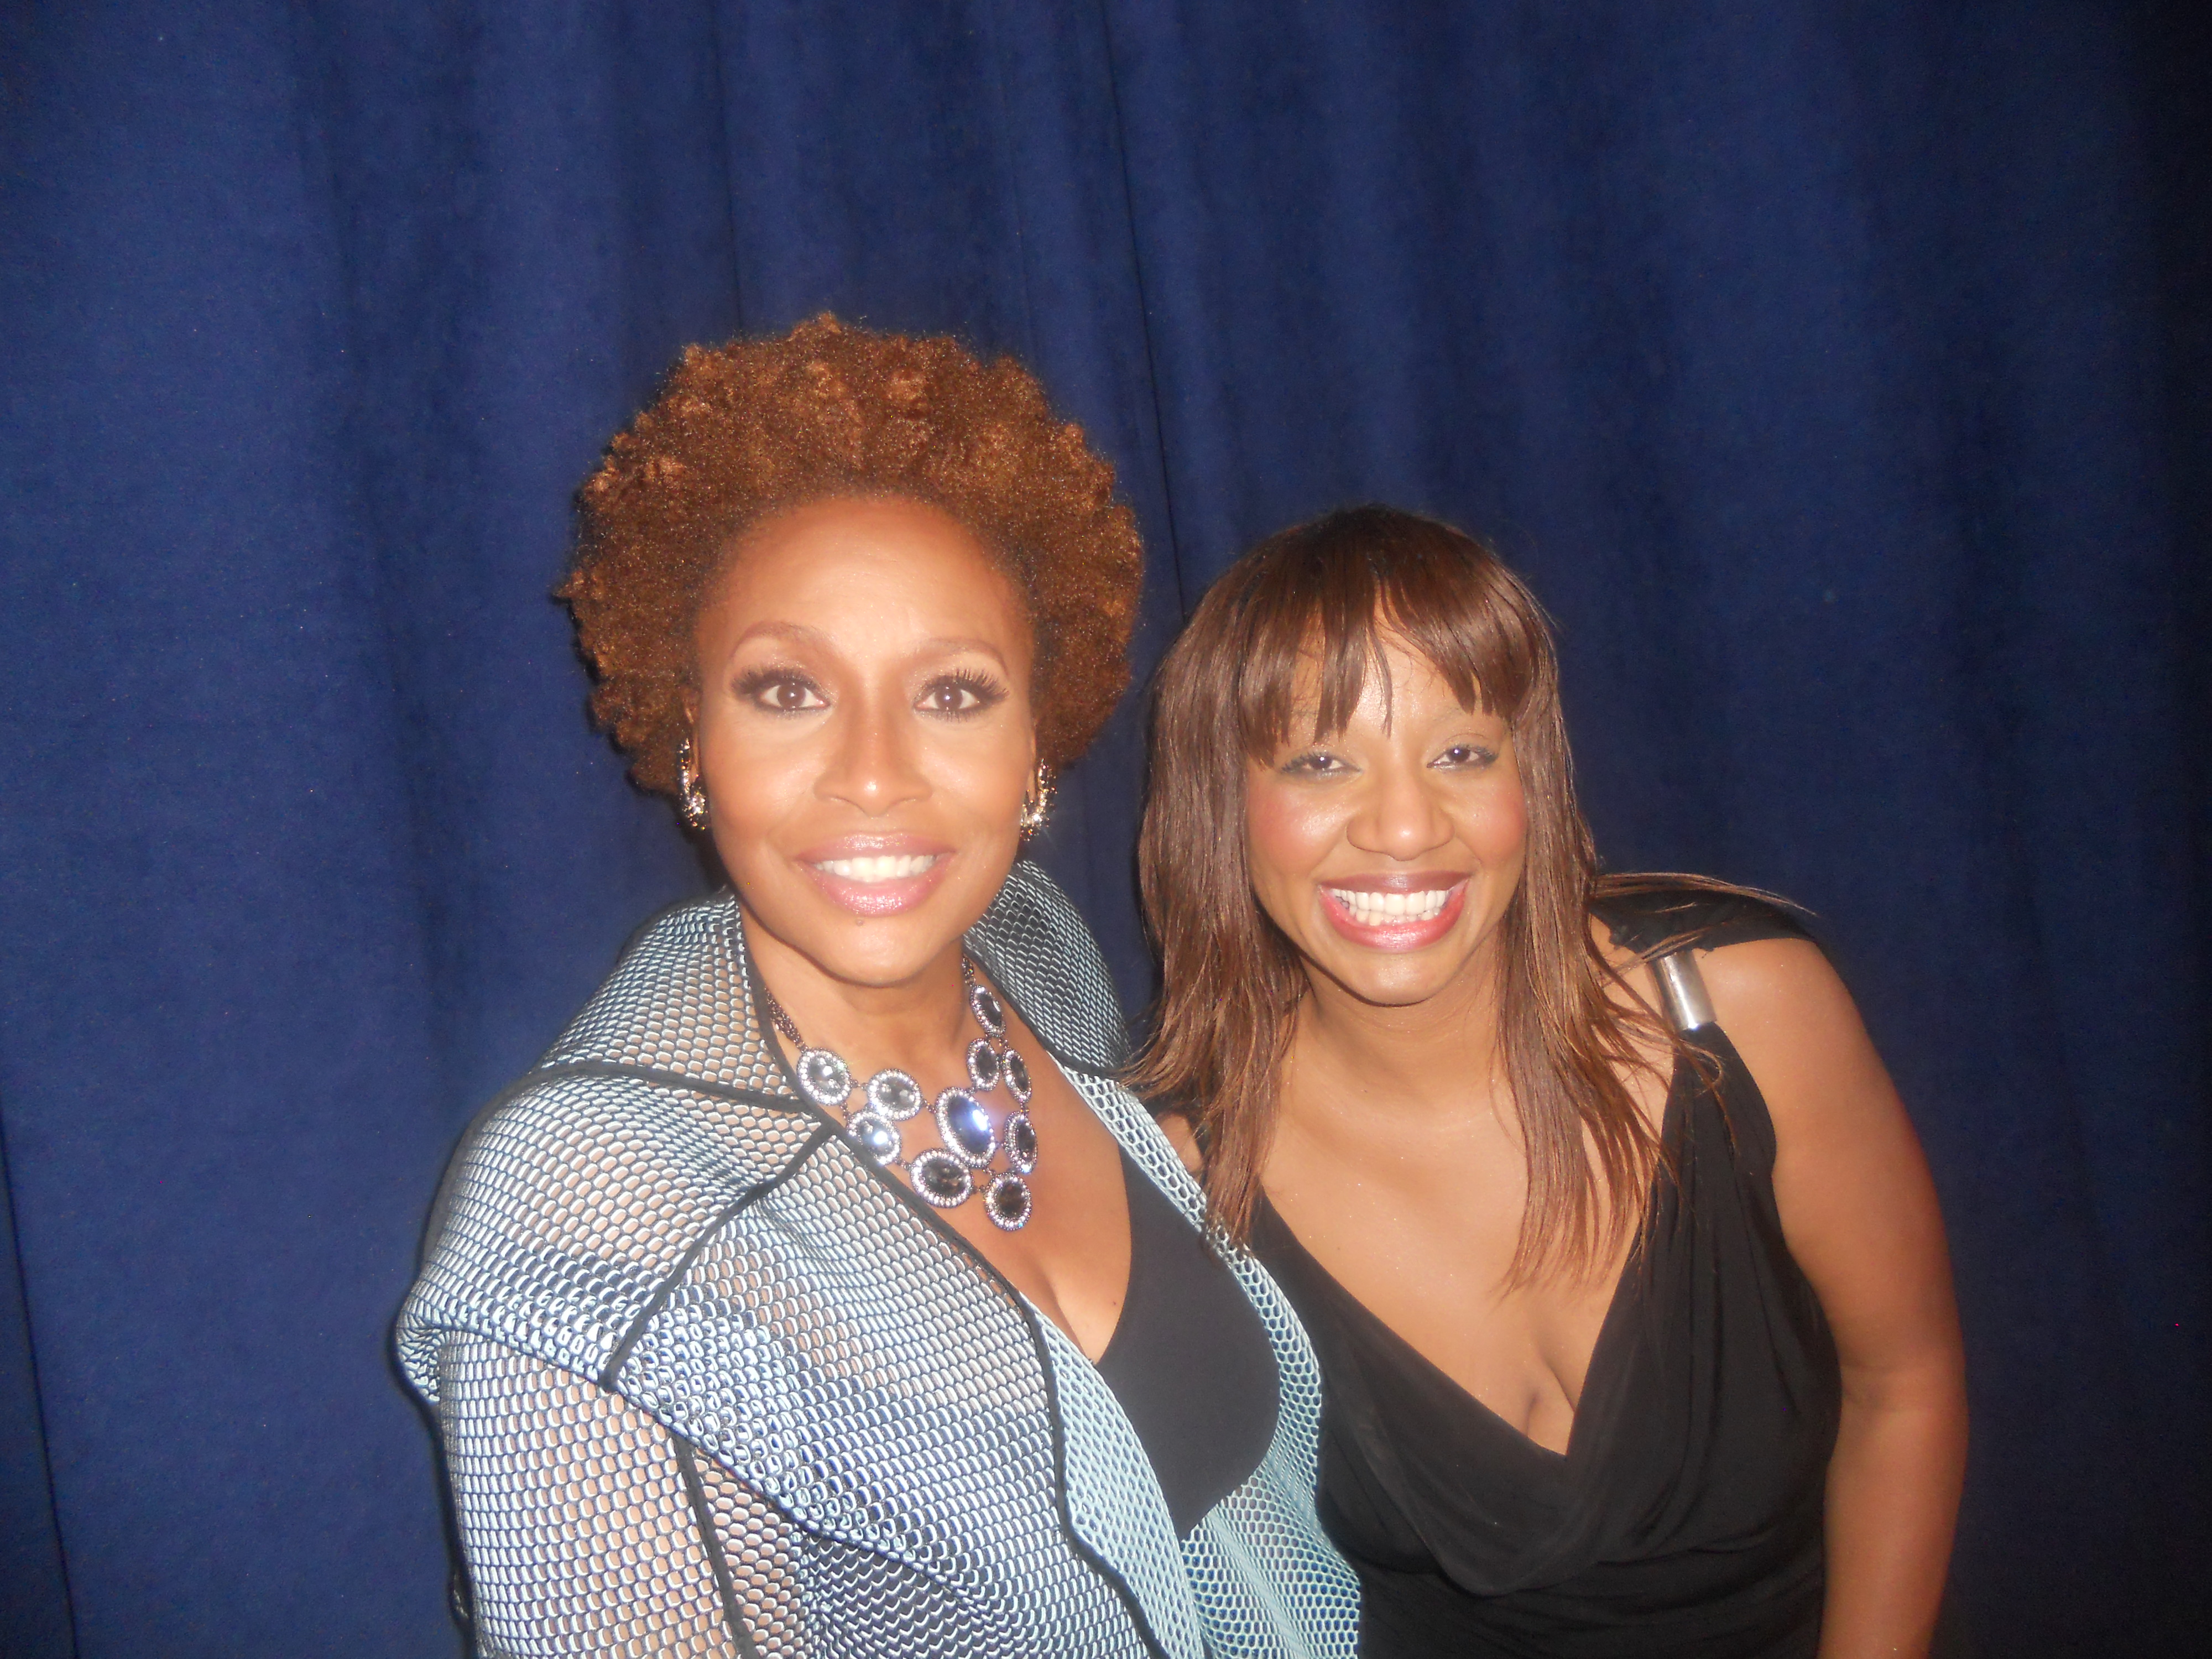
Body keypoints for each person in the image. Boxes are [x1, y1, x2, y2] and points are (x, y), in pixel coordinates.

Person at [397, 319, 1358, 1658]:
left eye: (953, 693)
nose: (870, 772)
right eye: (786, 689)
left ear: (1037, 746)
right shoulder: (593, 1210)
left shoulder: (1036, 958)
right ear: (692, 741)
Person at [1136, 505, 1966, 1658]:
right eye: (1320, 760)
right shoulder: (1181, 1168)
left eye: (1461, 752)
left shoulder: (1739, 1013)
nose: (1402, 825)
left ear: (1533, 777)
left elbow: (1904, 1385)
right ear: (1221, 804)